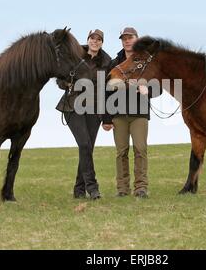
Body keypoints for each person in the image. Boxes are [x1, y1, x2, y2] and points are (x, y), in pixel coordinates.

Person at [103, 27, 159, 198]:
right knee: (121, 152)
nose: (127, 41)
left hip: (139, 114)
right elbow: (106, 92)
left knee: (140, 150)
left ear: (137, 39)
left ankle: (141, 188)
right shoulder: (114, 63)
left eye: (130, 37)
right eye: (124, 38)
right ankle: (122, 189)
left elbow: (158, 88)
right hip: (118, 114)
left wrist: (147, 90)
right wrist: (106, 118)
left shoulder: (147, 62)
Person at [56, 29, 112, 200]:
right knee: (85, 144)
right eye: (92, 38)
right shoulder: (75, 55)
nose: (94, 42)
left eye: (98, 39)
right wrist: (66, 83)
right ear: (87, 40)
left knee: (87, 148)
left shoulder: (107, 62)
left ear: (102, 42)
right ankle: (92, 188)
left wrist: (106, 117)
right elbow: (60, 78)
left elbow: (106, 91)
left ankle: (79, 189)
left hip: (94, 110)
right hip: (73, 106)